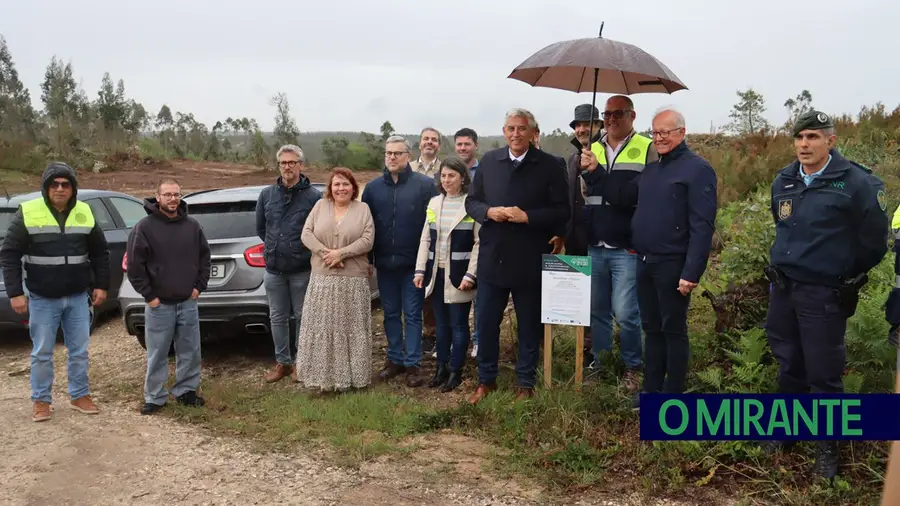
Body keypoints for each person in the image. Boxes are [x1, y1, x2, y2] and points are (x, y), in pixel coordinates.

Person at [762, 110, 889, 479]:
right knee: (789, 362)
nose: (805, 144)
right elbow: (782, 226)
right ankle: (786, 430)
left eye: (814, 137)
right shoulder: (785, 180)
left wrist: (843, 274)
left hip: (824, 292)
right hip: (784, 287)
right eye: (800, 137)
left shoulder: (856, 183)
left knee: (824, 372)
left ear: (831, 141)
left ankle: (827, 448)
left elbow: (873, 242)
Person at [465, 108, 569, 405]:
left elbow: (562, 211)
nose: (515, 134)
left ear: (533, 133)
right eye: (510, 128)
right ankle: (486, 380)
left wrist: (529, 217)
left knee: (529, 324)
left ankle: (526, 382)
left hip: (530, 257)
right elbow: (472, 202)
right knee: (485, 323)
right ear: (504, 131)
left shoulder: (549, 165)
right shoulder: (489, 161)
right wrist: (488, 212)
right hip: (493, 256)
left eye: (521, 128)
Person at [0, 162, 110, 422]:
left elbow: (100, 253)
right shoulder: (28, 212)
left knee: (79, 350)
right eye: (54, 184)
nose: (60, 189)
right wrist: (16, 292)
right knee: (42, 352)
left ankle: (79, 395)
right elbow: (10, 254)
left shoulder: (85, 211)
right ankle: (41, 400)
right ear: (46, 187)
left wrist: (101, 285)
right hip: (42, 298)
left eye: (65, 184)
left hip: (77, 298)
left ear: (73, 188)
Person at [629, 107, 717, 409]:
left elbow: (702, 226)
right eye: (655, 132)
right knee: (651, 328)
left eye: (665, 132)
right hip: (644, 261)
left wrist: (691, 271)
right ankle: (650, 392)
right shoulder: (652, 170)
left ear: (682, 132)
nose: (659, 138)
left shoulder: (697, 169)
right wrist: (594, 172)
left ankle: (673, 397)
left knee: (672, 329)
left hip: (673, 264)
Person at [579, 95, 659, 392]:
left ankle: (632, 368)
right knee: (596, 312)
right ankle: (601, 365)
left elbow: (632, 197)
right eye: (607, 114)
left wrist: (598, 173)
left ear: (632, 115)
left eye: (618, 113)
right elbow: (587, 195)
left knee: (625, 313)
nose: (611, 119)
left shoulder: (646, 149)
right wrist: (588, 171)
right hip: (595, 243)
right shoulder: (592, 150)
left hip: (627, 246)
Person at [126, 178, 211, 414]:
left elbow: (205, 258)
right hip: (159, 305)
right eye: (168, 195)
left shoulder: (192, 226)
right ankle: (155, 397)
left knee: (190, 350)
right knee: (158, 352)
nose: (173, 199)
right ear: (158, 197)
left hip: (187, 302)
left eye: (177, 194)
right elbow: (135, 267)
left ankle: (187, 391)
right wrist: (149, 296)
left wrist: (198, 287)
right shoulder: (144, 228)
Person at [362, 135, 440, 387]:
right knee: (391, 314)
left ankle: (413, 364)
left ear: (408, 156)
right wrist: (370, 258)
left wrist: (427, 262)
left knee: (414, 314)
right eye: (388, 153)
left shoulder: (425, 186)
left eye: (397, 153)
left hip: (413, 266)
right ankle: (395, 359)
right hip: (385, 265)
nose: (392, 158)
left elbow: (433, 226)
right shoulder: (373, 189)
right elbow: (368, 227)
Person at [296, 168, 375, 393]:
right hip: (322, 280)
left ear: (353, 187)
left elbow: (368, 240)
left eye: (345, 184)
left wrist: (342, 254)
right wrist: (326, 254)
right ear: (330, 188)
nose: (341, 188)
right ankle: (323, 379)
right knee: (323, 327)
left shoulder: (363, 209)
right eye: (336, 184)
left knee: (351, 328)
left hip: (353, 280)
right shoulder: (320, 207)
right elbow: (306, 234)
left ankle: (353, 379)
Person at [256, 144, 322, 383]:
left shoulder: (314, 197)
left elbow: (318, 230)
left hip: (301, 270)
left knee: (303, 316)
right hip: (273, 270)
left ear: (301, 165)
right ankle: (283, 362)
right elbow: (261, 228)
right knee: (277, 317)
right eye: (283, 163)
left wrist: (296, 250)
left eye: (292, 162)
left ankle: (302, 363)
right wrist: (276, 247)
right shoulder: (267, 195)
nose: (287, 167)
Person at [414, 157, 481, 392]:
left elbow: (478, 243)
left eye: (452, 175)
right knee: (441, 325)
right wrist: (420, 270)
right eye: (443, 176)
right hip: (437, 274)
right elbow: (426, 238)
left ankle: (456, 370)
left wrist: (471, 275)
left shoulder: (471, 205)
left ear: (462, 178)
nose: (446, 180)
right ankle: (440, 368)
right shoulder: (434, 204)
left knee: (459, 326)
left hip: (459, 277)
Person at [564, 104, 603, 367]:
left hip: (602, 236)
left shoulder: (605, 152)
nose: (581, 129)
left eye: (587, 123)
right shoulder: (572, 158)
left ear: (599, 125)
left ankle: (603, 352)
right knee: (581, 295)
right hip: (576, 238)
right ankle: (585, 346)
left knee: (601, 297)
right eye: (577, 125)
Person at [410, 127, 442, 354]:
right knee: (413, 287)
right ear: (419, 143)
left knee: (432, 287)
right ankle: (413, 333)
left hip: (437, 236)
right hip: (411, 235)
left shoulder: (446, 169)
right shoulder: (408, 168)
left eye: (434, 140)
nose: (429, 143)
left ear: (439, 145)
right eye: (426, 139)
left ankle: (432, 333)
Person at [453, 127, 481, 359]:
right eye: (459, 144)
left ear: (475, 145)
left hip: (481, 238)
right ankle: (458, 341)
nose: (463, 148)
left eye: (467, 144)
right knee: (456, 297)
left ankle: (479, 341)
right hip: (455, 243)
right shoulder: (449, 170)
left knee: (481, 298)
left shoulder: (485, 171)